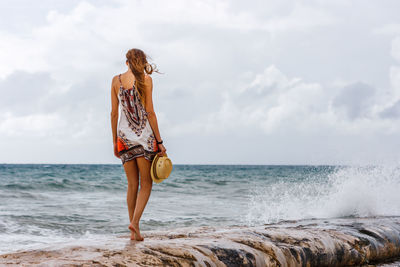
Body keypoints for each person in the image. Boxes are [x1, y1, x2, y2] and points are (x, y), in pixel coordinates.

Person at [110, 48, 166, 241]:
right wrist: (159, 142)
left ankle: (135, 231)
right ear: (142, 62)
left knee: (132, 184)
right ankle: (135, 223)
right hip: (144, 138)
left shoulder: (116, 81)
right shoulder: (146, 80)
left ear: (127, 62)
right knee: (147, 184)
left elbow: (114, 114)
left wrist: (114, 141)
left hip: (123, 138)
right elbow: (150, 112)